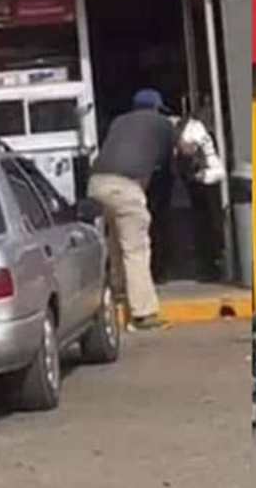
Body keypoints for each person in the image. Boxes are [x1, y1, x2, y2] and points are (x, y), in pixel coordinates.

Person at [88, 89, 177, 331]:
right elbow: (168, 164)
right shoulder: (163, 124)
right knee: (136, 249)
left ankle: (117, 295)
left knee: (115, 244)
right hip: (125, 187)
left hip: (96, 184)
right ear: (157, 108)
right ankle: (144, 314)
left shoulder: (119, 122)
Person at [177, 111, 227, 281]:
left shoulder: (195, 130)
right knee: (205, 226)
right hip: (203, 180)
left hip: (206, 182)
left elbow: (189, 150)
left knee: (207, 225)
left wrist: (201, 175)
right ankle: (210, 265)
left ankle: (211, 267)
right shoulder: (192, 129)